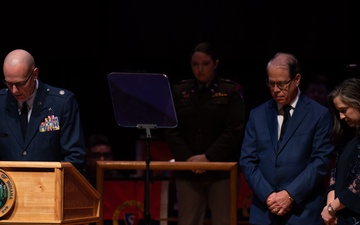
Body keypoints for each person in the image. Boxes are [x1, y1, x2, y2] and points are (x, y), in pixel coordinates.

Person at [240, 52, 334, 224]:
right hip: (264, 212)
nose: (275, 90)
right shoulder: (257, 114)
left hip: (302, 212)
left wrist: (290, 195)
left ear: (297, 79)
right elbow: (247, 160)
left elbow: (321, 162)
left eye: (282, 84)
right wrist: (268, 196)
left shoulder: (318, 115)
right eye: (271, 83)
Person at [165, 42, 246, 225]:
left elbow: (234, 130)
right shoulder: (180, 90)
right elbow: (171, 130)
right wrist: (188, 160)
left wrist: (208, 158)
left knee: (224, 221)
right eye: (195, 64)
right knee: (188, 221)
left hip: (222, 171)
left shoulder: (230, 90)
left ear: (215, 63)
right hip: (188, 170)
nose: (200, 69)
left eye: (205, 64)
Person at [0, 49, 86, 170]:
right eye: (9, 83)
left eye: (20, 83)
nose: (14, 90)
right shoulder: (1, 102)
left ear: (35, 74)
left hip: (49, 185)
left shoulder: (61, 103)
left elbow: (75, 157)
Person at [321, 78, 360, 225]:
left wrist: (332, 208)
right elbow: (335, 172)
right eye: (338, 112)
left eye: (344, 110)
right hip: (339, 216)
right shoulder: (349, 135)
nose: (341, 117)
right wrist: (329, 208)